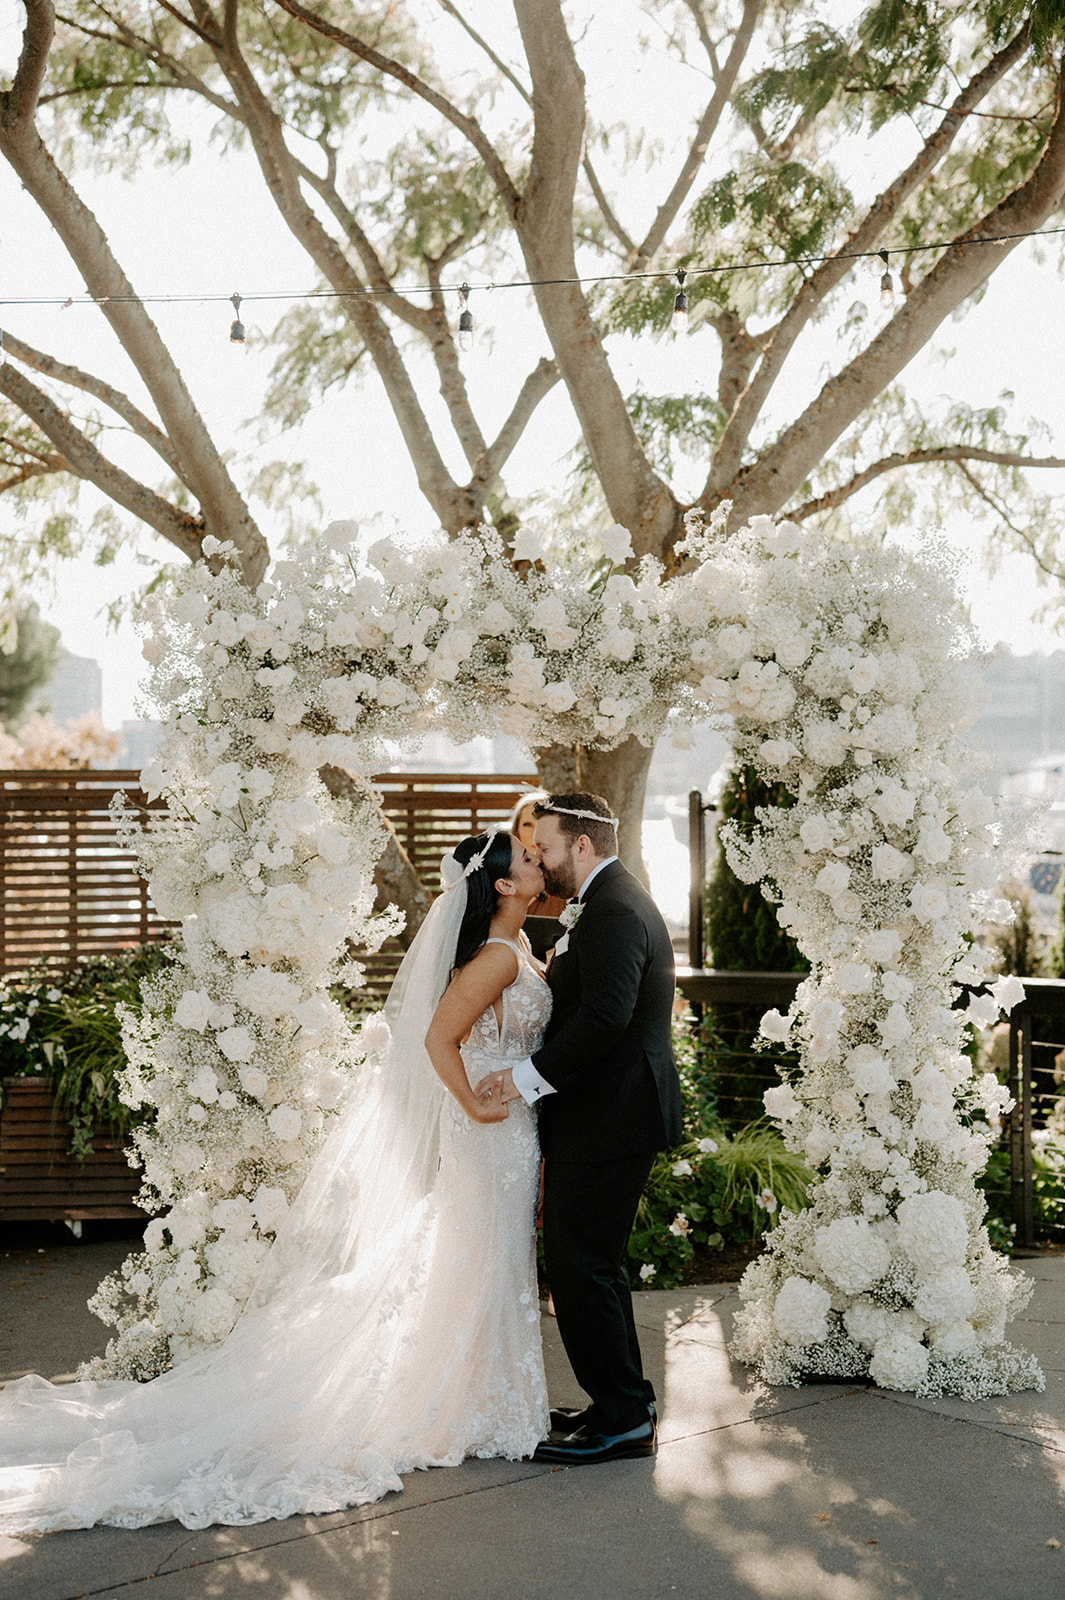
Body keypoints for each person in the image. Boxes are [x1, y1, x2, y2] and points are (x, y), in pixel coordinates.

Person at [0, 831, 551, 1533]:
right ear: (501, 885)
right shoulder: (497, 958)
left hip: (510, 1132)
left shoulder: (524, 949)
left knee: (486, 1262)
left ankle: (476, 1398)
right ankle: (469, 1406)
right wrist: (475, 1103)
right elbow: (437, 1038)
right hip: (486, 1133)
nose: (540, 862)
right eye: (529, 859)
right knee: (480, 1258)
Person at [476, 792, 682, 1466]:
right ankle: (621, 1401)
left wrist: (525, 1080)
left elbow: (606, 1018)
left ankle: (622, 1418)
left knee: (582, 1267)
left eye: (544, 848)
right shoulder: (605, 904)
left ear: (582, 846)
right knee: (590, 1266)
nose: (537, 857)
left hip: (609, 1117)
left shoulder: (616, 909)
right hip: (604, 1114)